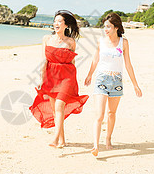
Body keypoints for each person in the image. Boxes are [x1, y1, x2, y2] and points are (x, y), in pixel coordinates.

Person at [84, 12, 142, 156]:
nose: (106, 29)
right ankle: (95, 145)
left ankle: (108, 139)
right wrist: (89, 75)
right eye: (104, 27)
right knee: (99, 114)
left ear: (116, 27)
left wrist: (135, 84)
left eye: (108, 27)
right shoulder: (101, 41)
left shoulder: (124, 42)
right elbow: (95, 60)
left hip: (117, 81)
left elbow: (128, 64)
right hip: (101, 80)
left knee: (111, 113)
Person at [30, 10, 89, 148]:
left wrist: (74, 82)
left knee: (59, 106)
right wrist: (41, 79)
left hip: (66, 77)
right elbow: (43, 61)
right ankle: (62, 140)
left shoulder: (71, 42)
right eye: (55, 21)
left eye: (59, 21)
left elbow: (73, 63)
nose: (56, 23)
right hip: (51, 77)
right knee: (56, 111)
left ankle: (55, 139)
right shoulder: (46, 39)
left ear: (66, 25)